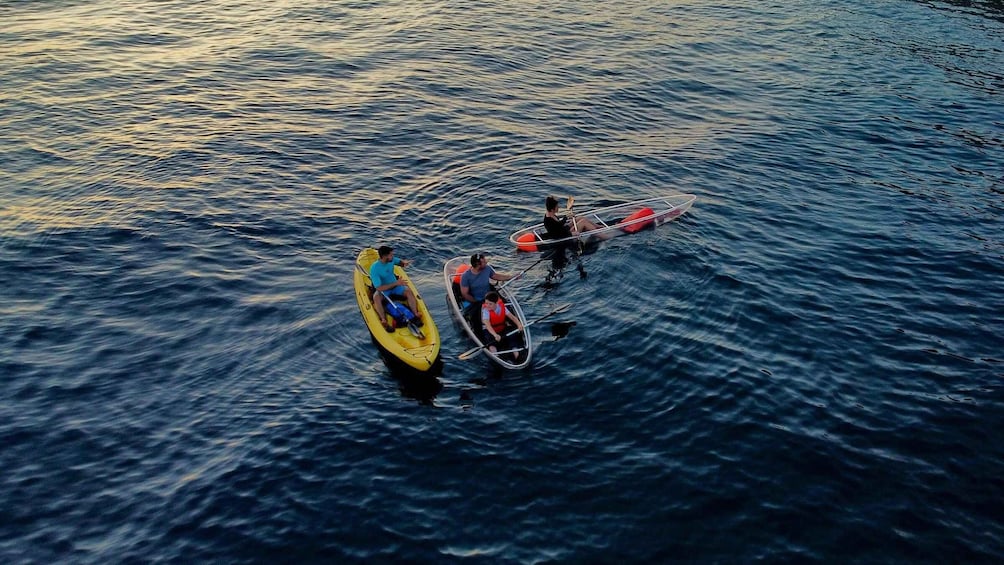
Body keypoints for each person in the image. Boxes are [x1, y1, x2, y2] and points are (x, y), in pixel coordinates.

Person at [369, 245, 422, 332]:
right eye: (391, 255)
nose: (392, 256)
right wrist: (396, 283)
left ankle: (415, 313)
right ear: (384, 256)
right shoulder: (375, 269)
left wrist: (404, 263)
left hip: (396, 287)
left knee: (408, 291)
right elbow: (379, 288)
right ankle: (383, 320)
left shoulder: (391, 260)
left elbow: (399, 262)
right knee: (376, 297)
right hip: (384, 290)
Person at [460, 252, 517, 331]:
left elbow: (496, 276)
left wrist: (511, 277)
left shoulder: (487, 268)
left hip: (489, 296)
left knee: (506, 308)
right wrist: (476, 301)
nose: (486, 262)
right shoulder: (466, 276)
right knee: (476, 319)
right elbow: (465, 294)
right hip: (476, 300)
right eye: (484, 261)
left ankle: (513, 326)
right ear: (477, 264)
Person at [480, 290, 523, 357]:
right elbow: (488, 325)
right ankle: (496, 355)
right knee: (491, 343)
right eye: (486, 303)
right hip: (490, 331)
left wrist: (519, 324)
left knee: (512, 336)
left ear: (496, 303)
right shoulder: (486, 311)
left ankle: (516, 353)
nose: (487, 306)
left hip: (501, 328)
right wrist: (495, 335)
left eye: (490, 304)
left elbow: (512, 317)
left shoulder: (502, 307)